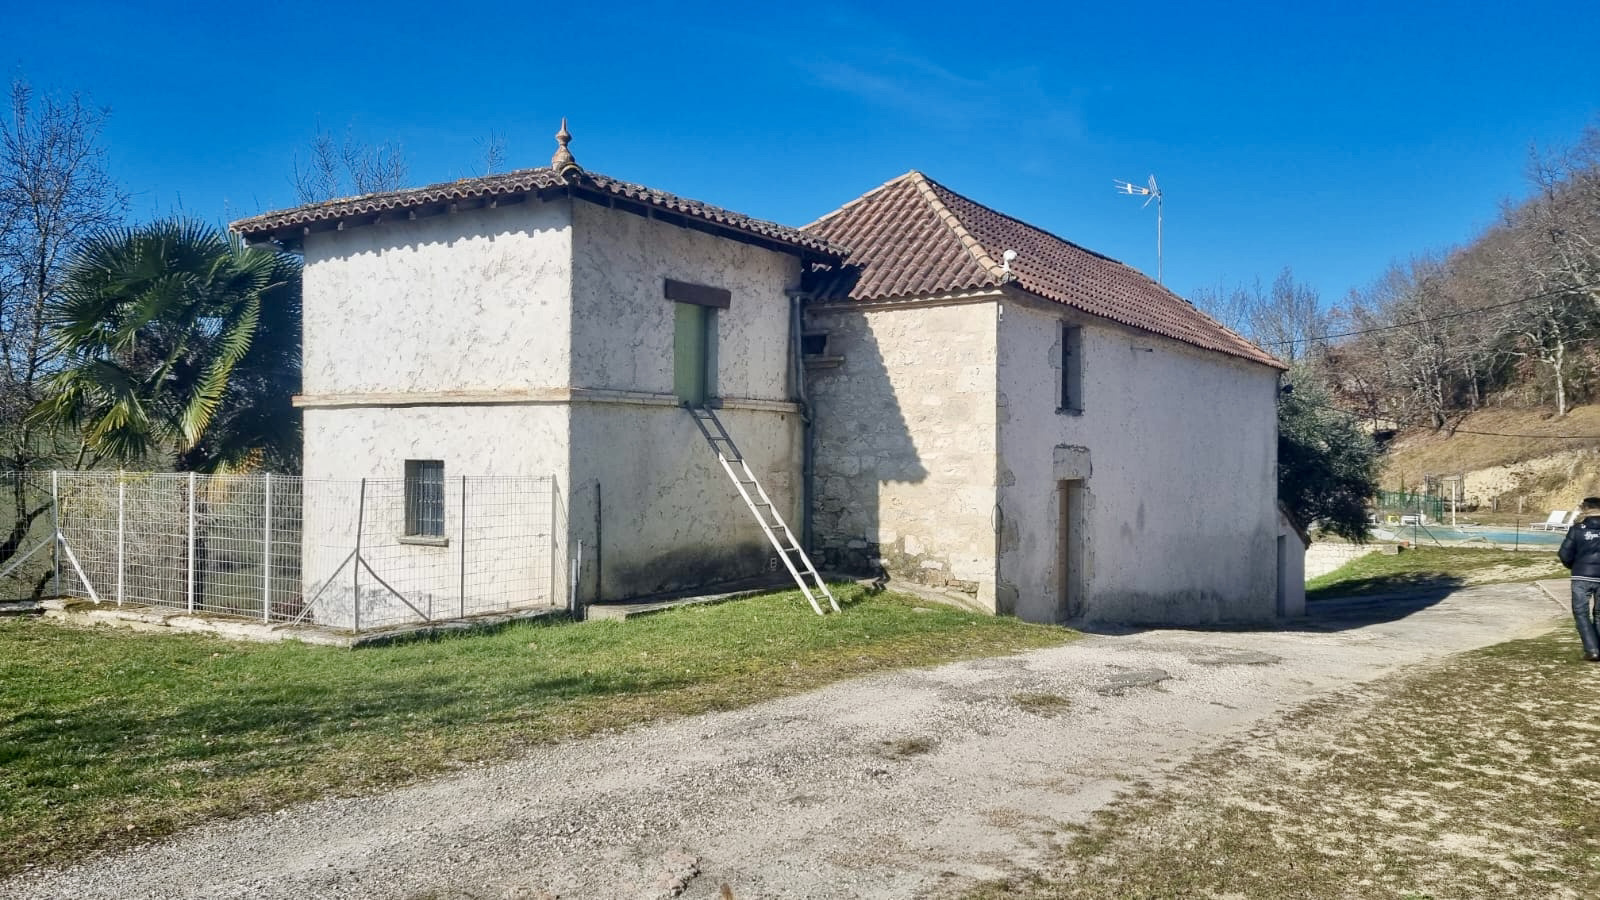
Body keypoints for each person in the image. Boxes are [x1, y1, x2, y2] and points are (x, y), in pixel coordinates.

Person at [1558, 497, 1600, 661]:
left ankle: (1592, 650)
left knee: (1581, 613)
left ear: (1585, 509)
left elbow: (1564, 554)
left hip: (1581, 576)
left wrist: (1573, 566)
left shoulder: (1578, 529)